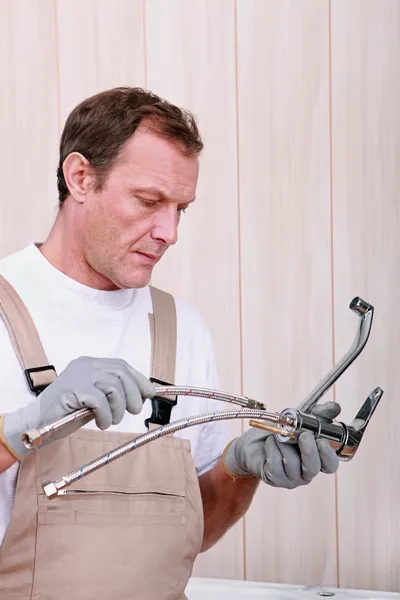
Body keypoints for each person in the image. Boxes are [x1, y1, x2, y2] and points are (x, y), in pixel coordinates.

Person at [0, 87, 341, 600]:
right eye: (148, 201)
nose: (169, 231)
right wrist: (21, 430)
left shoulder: (181, 328)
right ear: (80, 178)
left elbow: (185, 534)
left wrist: (238, 470)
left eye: (181, 208)